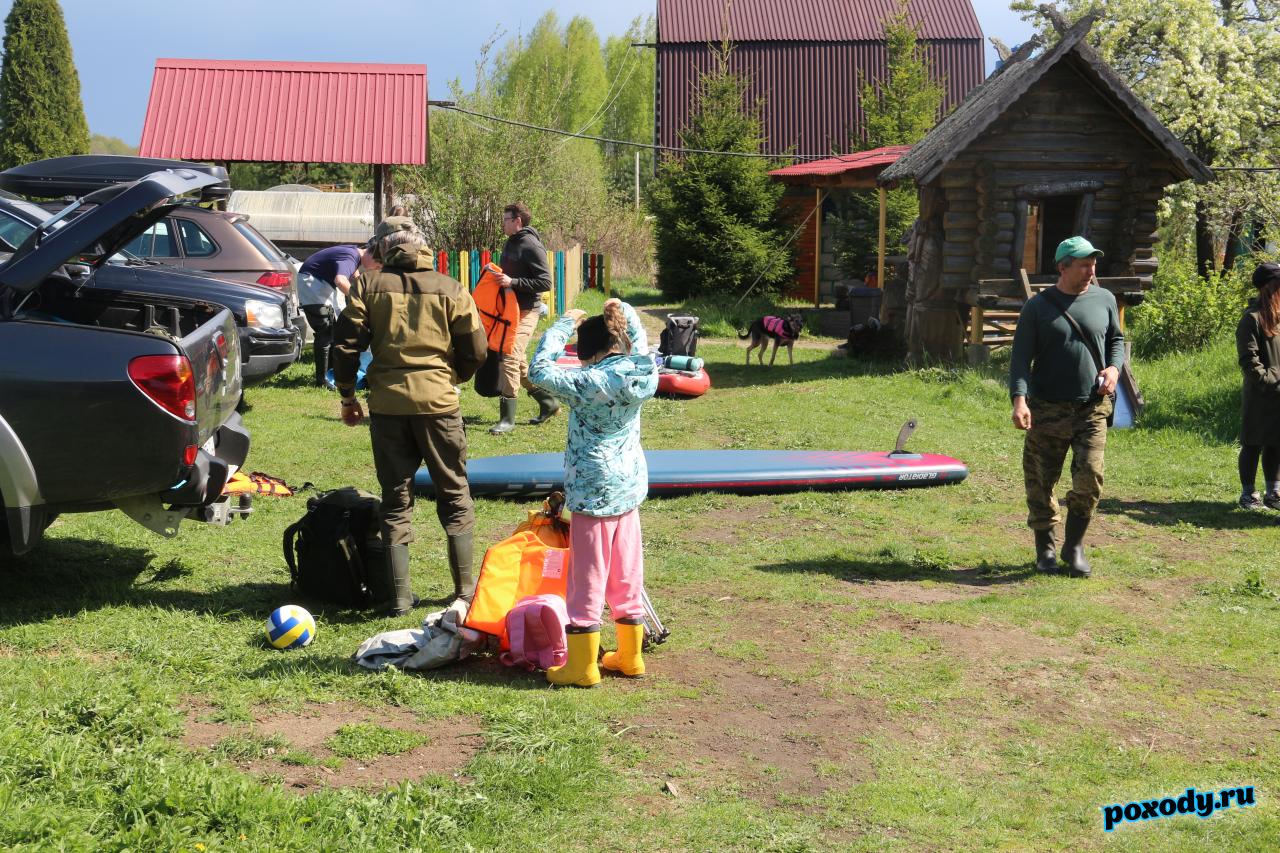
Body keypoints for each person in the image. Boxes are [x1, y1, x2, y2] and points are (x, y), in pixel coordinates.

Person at [330, 217, 487, 614]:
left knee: (395, 498)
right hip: (439, 404)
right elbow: (477, 348)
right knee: (455, 493)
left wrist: (348, 397)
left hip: (388, 407)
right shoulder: (451, 287)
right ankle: (464, 593)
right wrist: (453, 375)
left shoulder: (366, 285)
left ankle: (400, 598)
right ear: (423, 248)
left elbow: (346, 345)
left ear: (384, 249)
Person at [527, 298, 658, 687]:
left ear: (586, 353)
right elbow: (640, 339)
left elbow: (538, 370)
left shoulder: (586, 382)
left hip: (592, 488)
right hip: (629, 484)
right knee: (626, 571)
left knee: (587, 577)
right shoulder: (643, 370)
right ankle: (630, 656)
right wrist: (625, 311)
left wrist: (561, 326)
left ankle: (581, 666)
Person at [1009, 236, 1124, 578]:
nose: (1091, 270)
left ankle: (1073, 547)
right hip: (1046, 409)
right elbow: (1019, 361)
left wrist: (1114, 368)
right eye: (1084, 264)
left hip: (1091, 408)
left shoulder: (1104, 299)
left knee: (1091, 475)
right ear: (1063, 267)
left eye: (1093, 263)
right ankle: (1045, 549)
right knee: (1041, 481)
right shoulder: (1038, 307)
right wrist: (1019, 400)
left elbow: (1115, 339)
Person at [490, 202, 560, 434]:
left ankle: (507, 420)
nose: (503, 223)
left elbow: (546, 282)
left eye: (506, 219)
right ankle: (548, 402)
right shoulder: (510, 243)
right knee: (518, 364)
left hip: (528, 310)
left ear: (517, 220)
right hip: (510, 310)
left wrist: (513, 283)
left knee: (509, 355)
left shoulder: (531, 245)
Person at [297, 241, 380, 389]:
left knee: (334, 331)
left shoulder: (354, 255)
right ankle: (322, 381)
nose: (375, 269)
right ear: (371, 255)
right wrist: (359, 301)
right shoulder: (350, 256)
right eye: (377, 265)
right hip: (313, 285)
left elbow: (354, 275)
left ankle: (331, 375)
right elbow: (340, 280)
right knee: (325, 331)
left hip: (320, 284)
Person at [1235, 262, 1280, 510]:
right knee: (1253, 444)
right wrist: (1271, 379)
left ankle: (1274, 493)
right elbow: (1249, 362)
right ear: (1269, 288)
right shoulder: (1250, 320)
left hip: (1279, 395)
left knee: (1276, 443)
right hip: (1260, 394)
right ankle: (1248, 494)